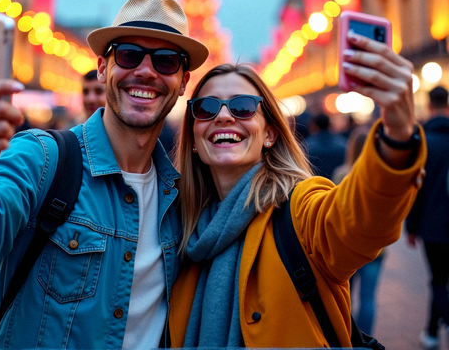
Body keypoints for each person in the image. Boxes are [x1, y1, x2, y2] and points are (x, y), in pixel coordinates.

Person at [0, 0, 209, 349]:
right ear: (102, 68)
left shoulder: (181, 200)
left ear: (183, 82)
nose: (146, 71)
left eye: (166, 61)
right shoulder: (42, 158)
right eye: (129, 55)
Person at [169, 30, 427, 348]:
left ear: (270, 134)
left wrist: (397, 136)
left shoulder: (300, 209)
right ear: (194, 138)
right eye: (207, 108)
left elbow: (358, 221)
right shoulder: (176, 233)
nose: (223, 116)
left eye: (243, 106)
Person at [406, 85, 449, 350]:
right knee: (441, 282)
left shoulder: (423, 141)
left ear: (429, 106)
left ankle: (434, 331)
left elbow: (415, 188)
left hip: (432, 224)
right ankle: (431, 330)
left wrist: (411, 227)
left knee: (437, 279)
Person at [332, 124, 385, 335]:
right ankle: (366, 340)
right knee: (369, 299)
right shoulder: (380, 176)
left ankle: (348, 338)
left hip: (348, 246)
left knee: (346, 298)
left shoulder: (341, 174)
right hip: (375, 248)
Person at [306, 112, 346, 179]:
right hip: (337, 184)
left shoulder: (307, 145)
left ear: (315, 126)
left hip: (316, 185)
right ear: (329, 125)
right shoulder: (342, 143)